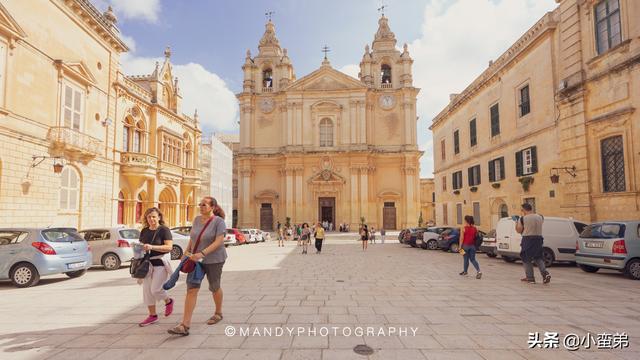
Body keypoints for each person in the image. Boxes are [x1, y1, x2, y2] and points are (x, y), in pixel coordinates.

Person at [168, 197, 227, 336]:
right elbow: (193, 238)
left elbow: (219, 241)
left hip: (214, 259)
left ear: (212, 207)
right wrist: (186, 252)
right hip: (196, 260)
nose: (201, 207)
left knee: (214, 286)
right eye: (200, 204)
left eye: (204, 205)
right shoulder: (196, 220)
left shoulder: (219, 222)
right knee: (191, 289)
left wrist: (202, 253)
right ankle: (184, 325)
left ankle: (218, 313)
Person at [138, 207, 174, 327]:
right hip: (146, 265)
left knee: (156, 289)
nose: (151, 219)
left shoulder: (164, 230)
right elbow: (141, 247)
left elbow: (169, 247)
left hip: (160, 264)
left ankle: (168, 301)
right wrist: (137, 250)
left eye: (154, 216)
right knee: (147, 292)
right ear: (146, 218)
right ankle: (152, 316)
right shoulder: (144, 231)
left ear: (159, 217)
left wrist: (152, 247)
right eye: (149, 217)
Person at [516, 203, 550, 284]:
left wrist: (516, 222)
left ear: (524, 209)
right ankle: (545, 274)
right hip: (538, 239)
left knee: (526, 258)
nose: (522, 211)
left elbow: (519, 230)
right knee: (538, 257)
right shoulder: (540, 217)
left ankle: (530, 278)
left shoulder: (522, 218)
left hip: (528, 239)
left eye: (522, 210)